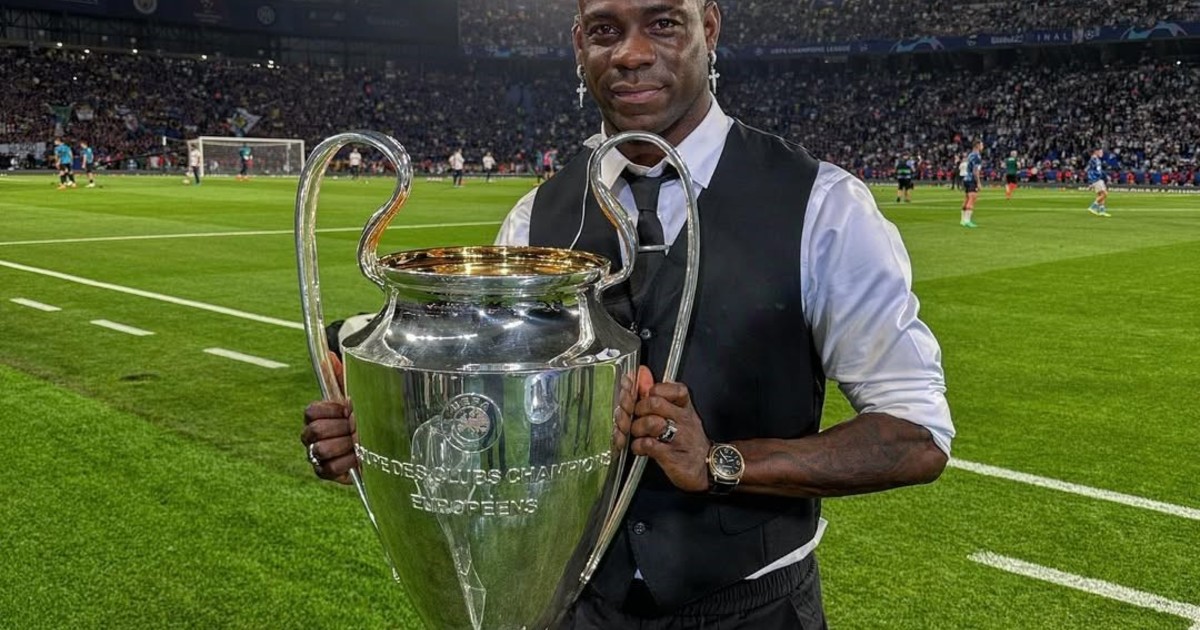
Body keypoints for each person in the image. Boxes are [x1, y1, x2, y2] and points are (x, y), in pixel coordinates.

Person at [302, 1, 953, 628]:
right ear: (578, 44)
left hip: (755, 611)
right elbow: (500, 433)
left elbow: (916, 436)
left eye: (663, 23)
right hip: (570, 606)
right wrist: (383, 437)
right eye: (605, 30)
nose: (632, 54)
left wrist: (723, 462)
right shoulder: (534, 220)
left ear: (709, 27)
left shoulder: (823, 207)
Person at [961, 140, 983, 228]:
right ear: (977, 146)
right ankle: (967, 221)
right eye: (981, 145)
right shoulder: (977, 156)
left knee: (966, 198)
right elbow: (975, 171)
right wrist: (978, 182)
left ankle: (963, 220)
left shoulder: (970, 155)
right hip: (971, 179)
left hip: (966, 178)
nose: (982, 146)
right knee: (972, 198)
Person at [1086, 148, 1111, 217]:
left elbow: (1090, 170)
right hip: (1096, 179)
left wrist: (1090, 182)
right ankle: (1093, 207)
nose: (1102, 153)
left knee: (1101, 195)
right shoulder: (1095, 159)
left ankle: (1102, 211)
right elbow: (1095, 171)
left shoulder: (1094, 159)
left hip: (1095, 179)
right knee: (1105, 194)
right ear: (1096, 152)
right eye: (1100, 152)